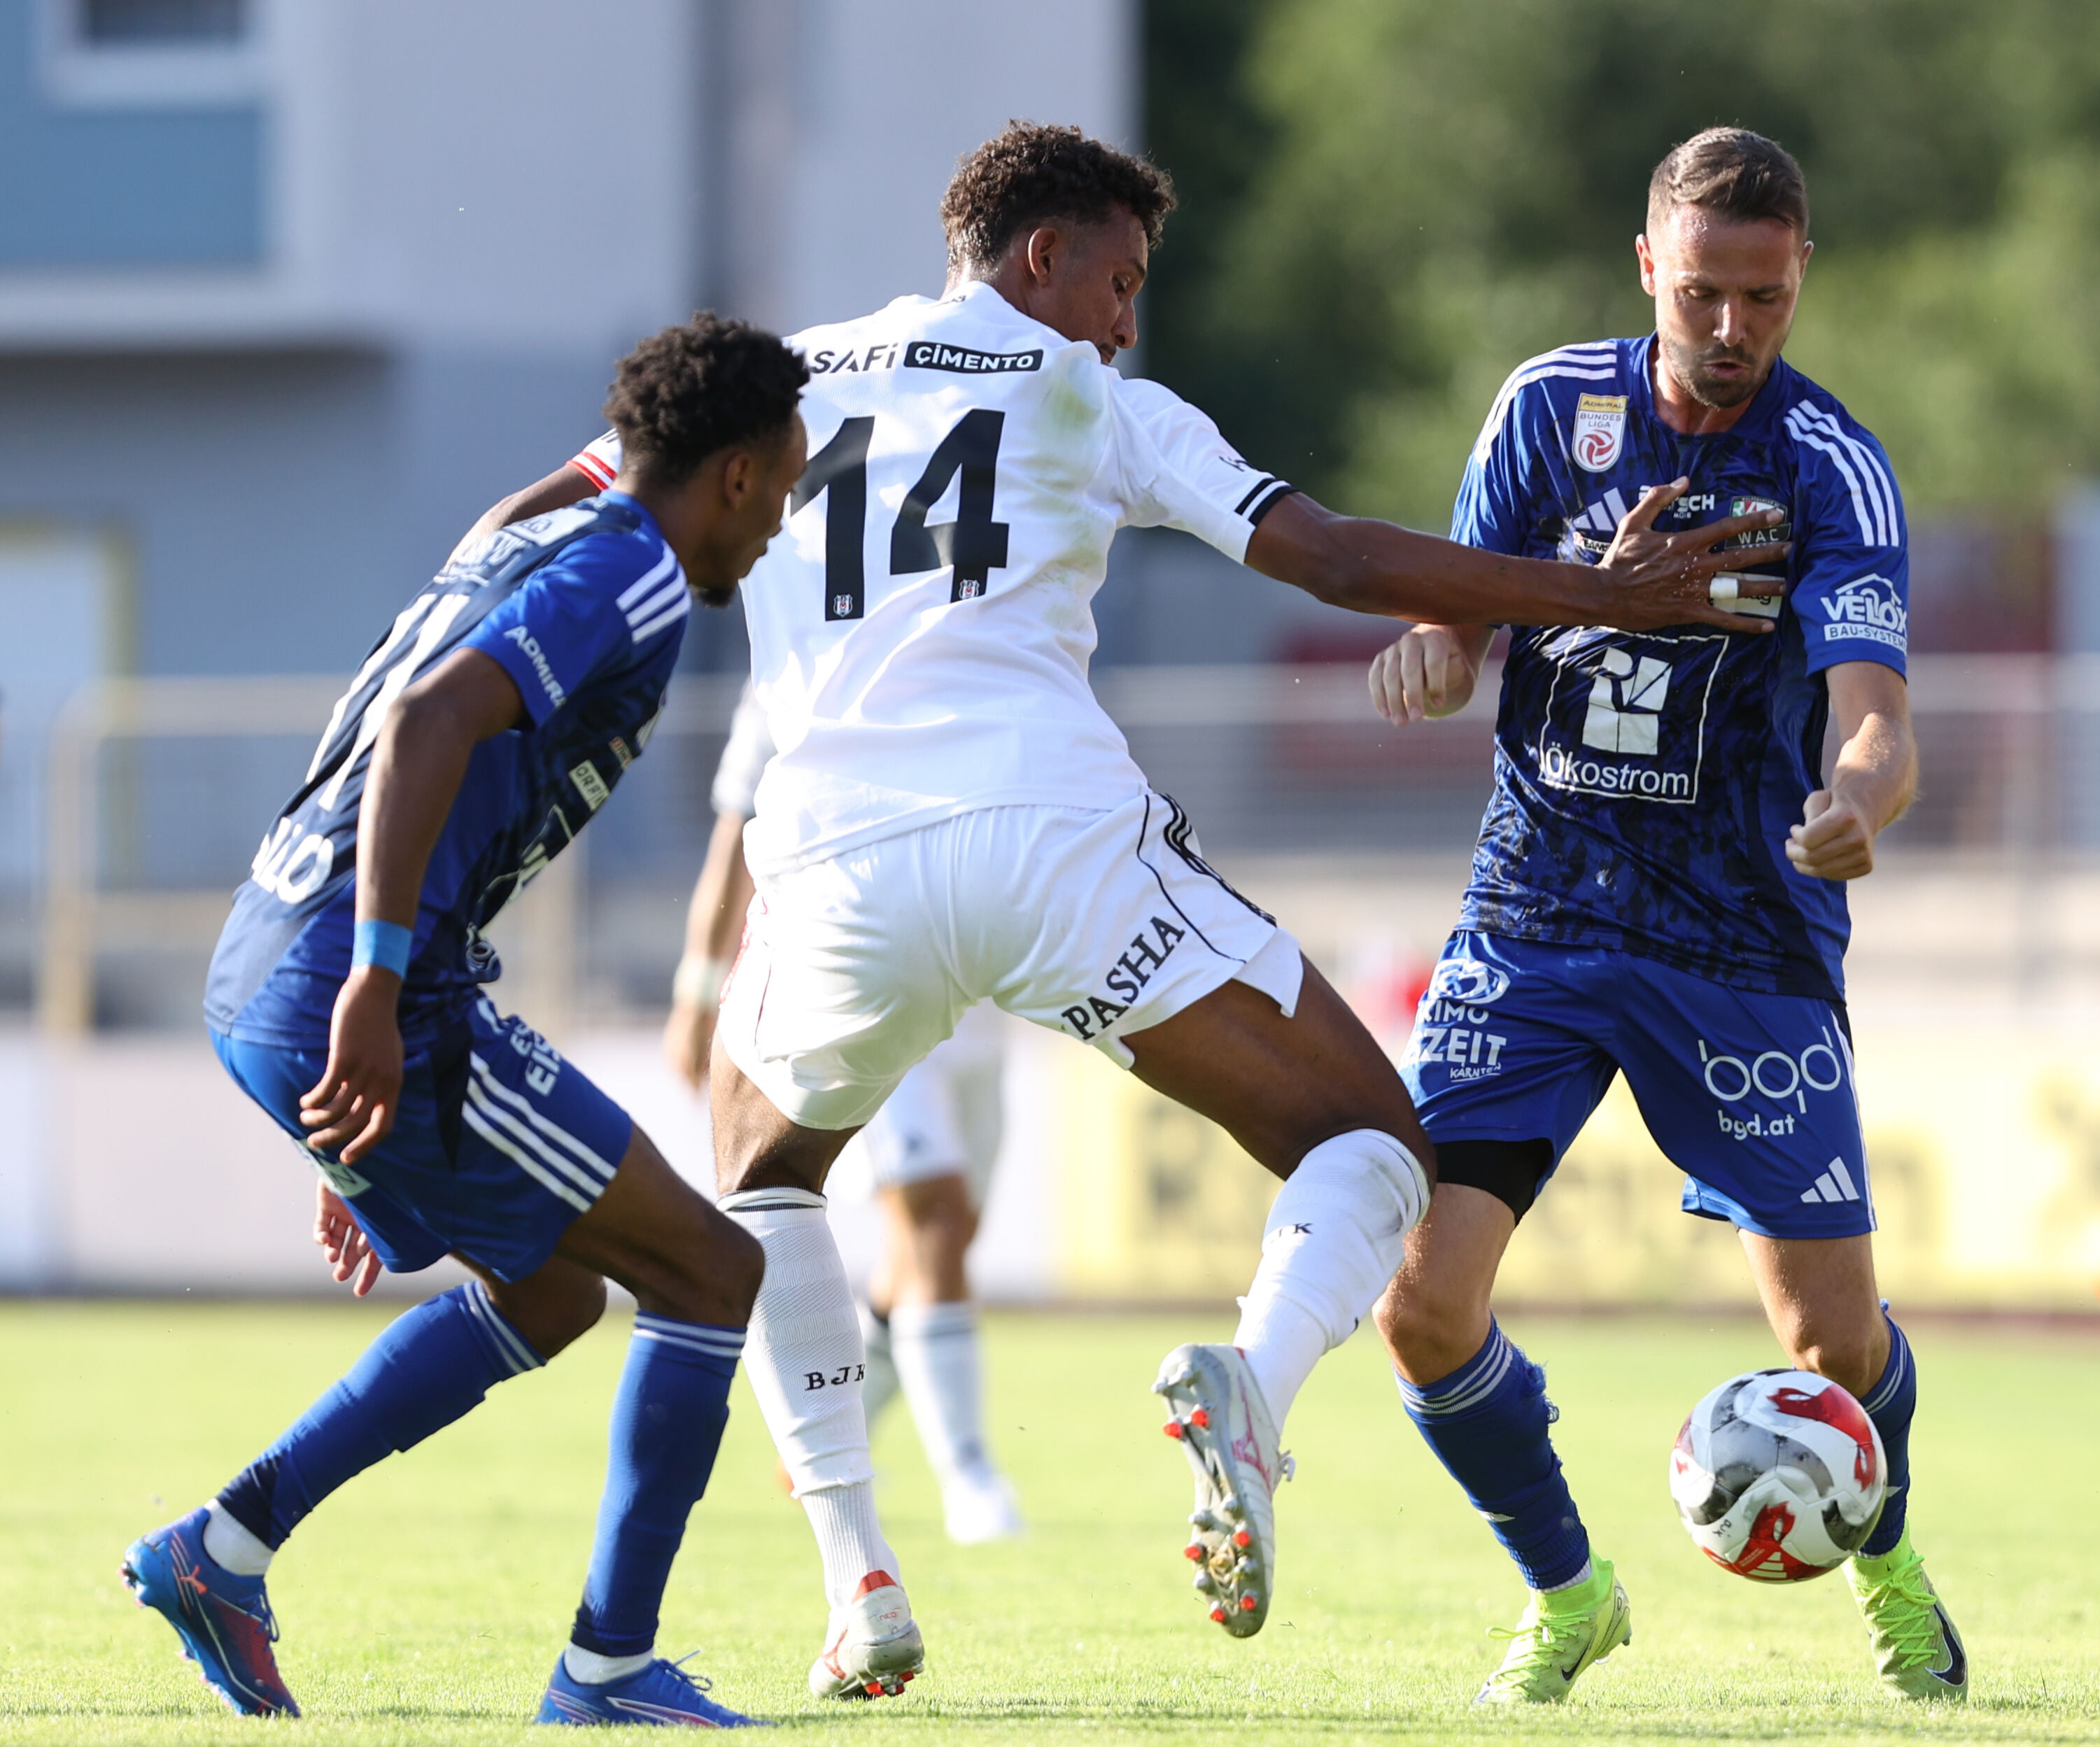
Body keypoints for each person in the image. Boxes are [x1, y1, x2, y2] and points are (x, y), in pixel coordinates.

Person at [467, 120, 1767, 1695]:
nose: (1125, 317)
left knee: (762, 1171)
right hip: (1050, 846)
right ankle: (1257, 1393)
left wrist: (461, 645)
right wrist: (1607, 596)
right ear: (1040, 258)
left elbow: (533, 521)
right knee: (1372, 1145)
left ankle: (856, 1576)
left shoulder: (786, 375)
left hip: (827, 874)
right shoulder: (1095, 397)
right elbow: (1339, 557)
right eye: (1120, 278)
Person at [127, 314, 809, 1727]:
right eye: (786, 483)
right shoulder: (637, 580)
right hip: (359, 978)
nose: (782, 520)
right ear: (732, 475)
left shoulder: (519, 530)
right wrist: (375, 990)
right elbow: (431, 722)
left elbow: (572, 487)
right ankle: (607, 1675)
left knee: (556, 1291)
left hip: (263, 956)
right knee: (707, 1274)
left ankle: (225, 1546)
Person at [1365, 127, 1964, 1705]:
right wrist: (1434, 650)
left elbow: (1877, 713)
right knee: (1422, 1305)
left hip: (1743, 949)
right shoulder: (1549, 410)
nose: (1730, 325)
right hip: (1535, 922)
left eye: (1762, 295)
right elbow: (1456, 599)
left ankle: (1888, 1557)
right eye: (1702, 289)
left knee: (1830, 1345)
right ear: (1648, 268)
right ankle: (1566, 1595)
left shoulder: (1829, 464)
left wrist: (1862, 797)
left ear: (1799, 278)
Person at [668, 684, 1025, 1543]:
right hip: (866, 975)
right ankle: (970, 1477)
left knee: (934, 1245)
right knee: (932, 1214)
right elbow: (736, 838)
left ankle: (824, 1430)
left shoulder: (975, 633)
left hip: (980, 984)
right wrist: (695, 987)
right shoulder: (791, 662)